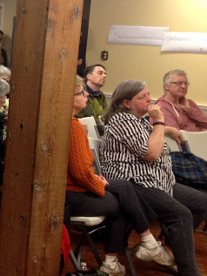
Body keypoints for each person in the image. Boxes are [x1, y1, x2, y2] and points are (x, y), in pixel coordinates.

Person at [68, 76, 174, 275]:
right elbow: (80, 173)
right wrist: (98, 184)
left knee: (124, 189)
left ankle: (115, 261)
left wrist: (96, 178)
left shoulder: (75, 124)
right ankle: (137, 248)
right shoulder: (73, 126)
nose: (87, 94)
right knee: (125, 201)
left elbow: (83, 169)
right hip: (74, 193)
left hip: (81, 185)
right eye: (81, 92)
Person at [101, 79, 207, 275]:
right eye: (142, 97)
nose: (150, 99)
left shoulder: (139, 120)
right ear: (126, 103)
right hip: (135, 182)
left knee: (202, 202)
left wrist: (162, 127)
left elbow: (152, 141)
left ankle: (167, 249)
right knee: (181, 214)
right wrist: (159, 121)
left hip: (159, 181)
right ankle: (190, 272)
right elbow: (151, 153)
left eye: (149, 94)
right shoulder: (122, 120)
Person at [75, 64, 108, 135]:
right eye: (100, 73)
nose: (104, 76)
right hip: (90, 133)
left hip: (101, 132)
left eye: (105, 74)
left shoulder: (101, 95)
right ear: (89, 76)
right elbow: (90, 119)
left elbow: (107, 115)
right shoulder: (81, 94)